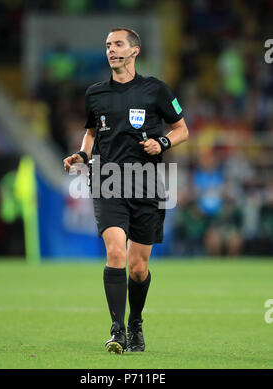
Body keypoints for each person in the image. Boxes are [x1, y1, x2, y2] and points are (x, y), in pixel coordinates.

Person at [63, 28, 189, 354]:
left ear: (134, 50)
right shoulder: (95, 93)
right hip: (107, 178)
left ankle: (135, 323)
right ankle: (117, 330)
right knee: (116, 252)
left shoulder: (156, 90)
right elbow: (91, 132)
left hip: (146, 181)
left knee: (138, 267)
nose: (111, 50)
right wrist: (82, 155)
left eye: (118, 44)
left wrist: (162, 142)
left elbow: (181, 130)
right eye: (107, 45)